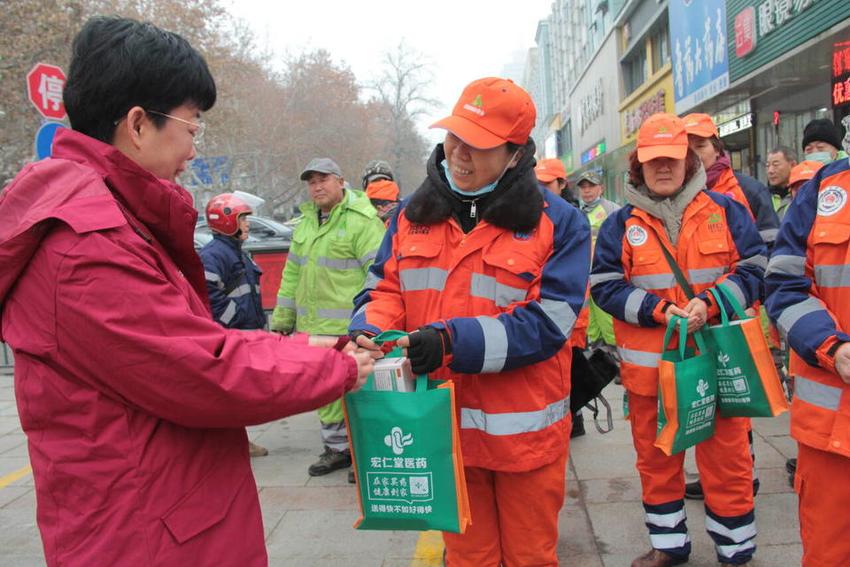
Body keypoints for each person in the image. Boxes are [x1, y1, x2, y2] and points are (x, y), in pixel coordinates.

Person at [0, 17, 374, 567]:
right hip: (147, 533)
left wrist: (312, 348)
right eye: (192, 126)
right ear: (137, 124)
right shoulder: (86, 247)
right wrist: (337, 369)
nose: (194, 149)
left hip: (162, 509)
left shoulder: (114, 220)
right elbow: (203, 371)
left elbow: (191, 341)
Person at [350, 77, 590, 566]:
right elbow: (384, 288)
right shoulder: (410, 215)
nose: (459, 152)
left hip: (522, 439)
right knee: (466, 558)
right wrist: (368, 331)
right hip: (441, 430)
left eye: (479, 144)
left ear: (516, 154)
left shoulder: (561, 223)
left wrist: (450, 341)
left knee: (530, 557)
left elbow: (550, 322)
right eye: (456, 135)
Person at [592, 113, 765, 567]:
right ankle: (668, 547)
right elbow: (605, 286)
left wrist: (709, 303)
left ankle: (736, 549)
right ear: (638, 166)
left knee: (728, 463)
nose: (663, 168)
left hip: (718, 369)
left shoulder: (725, 211)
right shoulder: (619, 225)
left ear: (689, 161)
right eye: (653, 160)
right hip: (652, 376)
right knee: (657, 464)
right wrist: (656, 310)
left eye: (672, 158)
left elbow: (756, 269)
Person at [270, 157, 385, 483]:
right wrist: (283, 317)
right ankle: (337, 450)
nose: (317, 187)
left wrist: (371, 324)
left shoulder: (362, 222)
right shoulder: (305, 224)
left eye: (323, 179)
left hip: (352, 331)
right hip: (313, 331)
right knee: (326, 395)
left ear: (341, 181)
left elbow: (379, 278)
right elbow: (291, 274)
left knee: (360, 392)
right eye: (311, 182)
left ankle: (365, 453)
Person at [765, 144, 850, 567]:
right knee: (827, 554)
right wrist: (833, 347)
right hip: (831, 428)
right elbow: (784, 285)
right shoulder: (825, 190)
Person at [199, 192, 269, 457]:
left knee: (242, 391)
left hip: (244, 333)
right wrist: (236, 319)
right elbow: (209, 296)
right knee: (232, 393)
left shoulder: (235, 252)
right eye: (243, 219)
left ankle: (241, 439)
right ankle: (235, 442)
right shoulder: (214, 255)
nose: (248, 224)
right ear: (227, 221)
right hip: (233, 335)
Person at [683, 113, 779, 249]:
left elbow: (772, 244)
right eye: (687, 149)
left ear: (717, 150)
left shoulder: (750, 190)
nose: (694, 155)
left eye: (700, 146)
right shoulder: (673, 195)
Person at [766, 146, 798, 218]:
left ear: (793, 165)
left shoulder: (802, 195)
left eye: (775, 165)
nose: (770, 171)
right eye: (767, 166)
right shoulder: (763, 196)